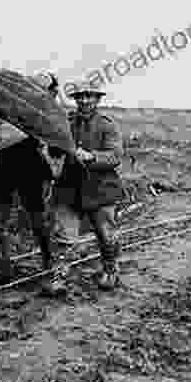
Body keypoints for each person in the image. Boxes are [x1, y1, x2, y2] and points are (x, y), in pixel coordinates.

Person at [0, 71, 69, 296]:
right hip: (5, 171)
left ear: (51, 92)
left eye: (43, 90)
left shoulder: (51, 115)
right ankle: (3, 268)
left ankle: (52, 273)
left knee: (41, 226)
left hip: (33, 174)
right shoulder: (10, 109)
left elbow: (58, 150)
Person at [49, 79, 124, 291]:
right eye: (80, 97)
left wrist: (92, 156)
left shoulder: (107, 125)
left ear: (97, 99)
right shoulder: (67, 123)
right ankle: (59, 277)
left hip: (100, 188)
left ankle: (111, 271)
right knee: (63, 236)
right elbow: (56, 151)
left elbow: (115, 156)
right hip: (69, 187)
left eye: (89, 96)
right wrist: (53, 145)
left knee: (106, 235)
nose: (84, 101)